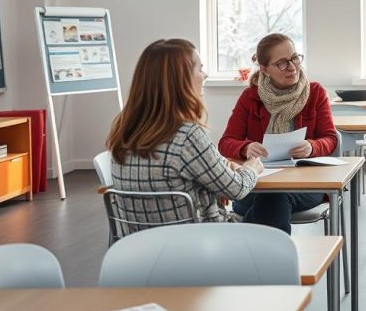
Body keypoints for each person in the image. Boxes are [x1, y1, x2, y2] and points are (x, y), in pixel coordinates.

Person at [218, 32, 337, 311]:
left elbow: (330, 139)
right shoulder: (250, 98)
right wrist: (245, 147)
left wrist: (313, 146)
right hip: (255, 185)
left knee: (273, 201)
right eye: (282, 62)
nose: (292, 67)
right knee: (269, 199)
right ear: (264, 67)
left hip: (303, 188)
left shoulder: (314, 93)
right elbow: (226, 142)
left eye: (295, 58)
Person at [106, 38, 263, 224]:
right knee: (271, 204)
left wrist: (222, 171)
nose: (204, 75)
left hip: (140, 246)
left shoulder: (123, 130)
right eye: (200, 68)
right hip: (195, 245)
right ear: (181, 78)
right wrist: (251, 168)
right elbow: (237, 189)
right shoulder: (187, 135)